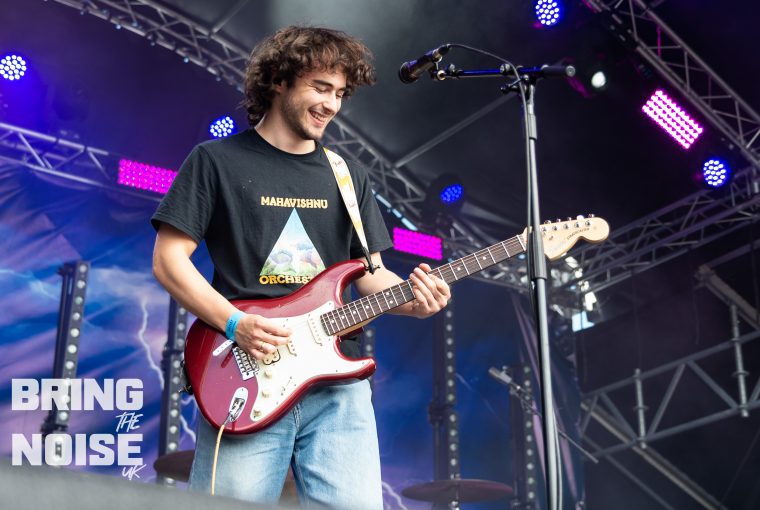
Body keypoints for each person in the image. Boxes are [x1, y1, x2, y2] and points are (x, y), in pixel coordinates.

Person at [151, 25, 450, 509]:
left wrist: (415, 301)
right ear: (279, 81)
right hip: (248, 374)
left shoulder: (348, 176)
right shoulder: (215, 161)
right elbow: (168, 261)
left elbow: (371, 274)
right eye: (321, 87)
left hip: (338, 385)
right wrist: (235, 322)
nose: (332, 105)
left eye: (340, 94)